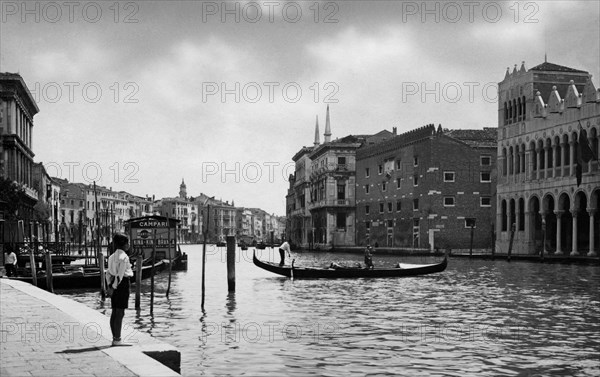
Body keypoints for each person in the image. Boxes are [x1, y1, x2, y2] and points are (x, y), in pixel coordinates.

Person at [106, 233, 133, 346]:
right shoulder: (124, 257)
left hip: (113, 283)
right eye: (128, 243)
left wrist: (109, 286)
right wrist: (113, 287)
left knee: (114, 312)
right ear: (124, 244)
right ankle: (118, 339)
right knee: (120, 312)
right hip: (121, 285)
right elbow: (120, 275)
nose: (129, 245)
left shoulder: (112, 256)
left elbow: (108, 274)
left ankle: (115, 338)